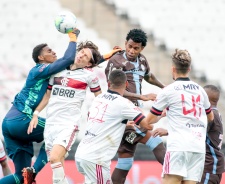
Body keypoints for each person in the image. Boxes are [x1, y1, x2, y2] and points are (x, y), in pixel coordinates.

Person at [28, 41, 121, 184]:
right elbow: (47, 95)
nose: (82, 55)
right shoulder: (58, 70)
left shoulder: (89, 76)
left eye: (86, 56)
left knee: (54, 158)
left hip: (68, 125)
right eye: (82, 52)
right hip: (51, 124)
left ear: (89, 64)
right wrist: (36, 114)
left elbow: (100, 99)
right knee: (57, 165)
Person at [0, 29, 80, 184]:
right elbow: (69, 58)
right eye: (49, 51)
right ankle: (34, 171)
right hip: (21, 119)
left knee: (20, 178)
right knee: (57, 134)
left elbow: (80, 64)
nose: (54, 52)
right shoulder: (40, 69)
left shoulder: (47, 73)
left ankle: (29, 174)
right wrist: (72, 38)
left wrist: (103, 58)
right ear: (41, 57)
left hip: (9, 124)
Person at [139, 49, 214, 184]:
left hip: (178, 148)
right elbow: (211, 118)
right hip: (197, 148)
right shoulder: (200, 90)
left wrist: (138, 122)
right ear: (189, 69)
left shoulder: (169, 91)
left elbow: (148, 121)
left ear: (172, 69)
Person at [105, 28, 166, 183]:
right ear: (126, 43)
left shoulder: (142, 60)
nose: (132, 51)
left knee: (125, 162)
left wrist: (165, 88)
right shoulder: (116, 61)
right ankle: (177, 175)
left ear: (142, 48)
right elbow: (114, 90)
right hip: (123, 113)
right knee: (156, 143)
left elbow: (148, 76)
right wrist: (142, 96)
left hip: (133, 113)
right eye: (129, 46)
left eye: (136, 48)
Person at [75, 69, 147, 183]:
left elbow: (97, 119)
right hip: (96, 159)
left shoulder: (98, 98)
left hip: (81, 154)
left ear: (108, 83)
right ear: (126, 84)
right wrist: (159, 115)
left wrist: (120, 123)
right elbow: (146, 124)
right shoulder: (123, 103)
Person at [153, 85, 225, 184]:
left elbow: (195, 130)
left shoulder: (210, 115)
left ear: (207, 98)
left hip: (209, 166)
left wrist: (167, 131)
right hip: (205, 164)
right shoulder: (212, 113)